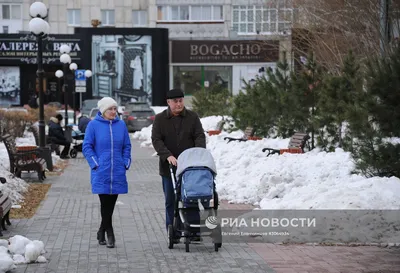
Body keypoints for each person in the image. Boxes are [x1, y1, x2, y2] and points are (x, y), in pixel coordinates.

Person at [151, 88, 206, 243]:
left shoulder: (192, 117)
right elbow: (156, 139)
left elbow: (199, 136)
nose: (178, 104)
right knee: (171, 200)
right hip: (169, 167)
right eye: (175, 101)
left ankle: (194, 231)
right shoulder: (160, 119)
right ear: (168, 102)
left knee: (191, 198)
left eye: (181, 100)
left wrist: (197, 153)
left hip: (190, 167)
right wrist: (167, 155)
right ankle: (174, 231)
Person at [82, 97, 131, 248]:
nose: (113, 112)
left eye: (115, 109)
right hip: (101, 171)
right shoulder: (93, 125)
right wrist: (95, 164)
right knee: (105, 204)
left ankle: (101, 230)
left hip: (117, 171)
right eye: (110, 109)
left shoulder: (121, 125)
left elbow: (127, 146)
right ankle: (110, 233)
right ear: (103, 110)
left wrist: (125, 162)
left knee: (111, 204)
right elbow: (87, 146)